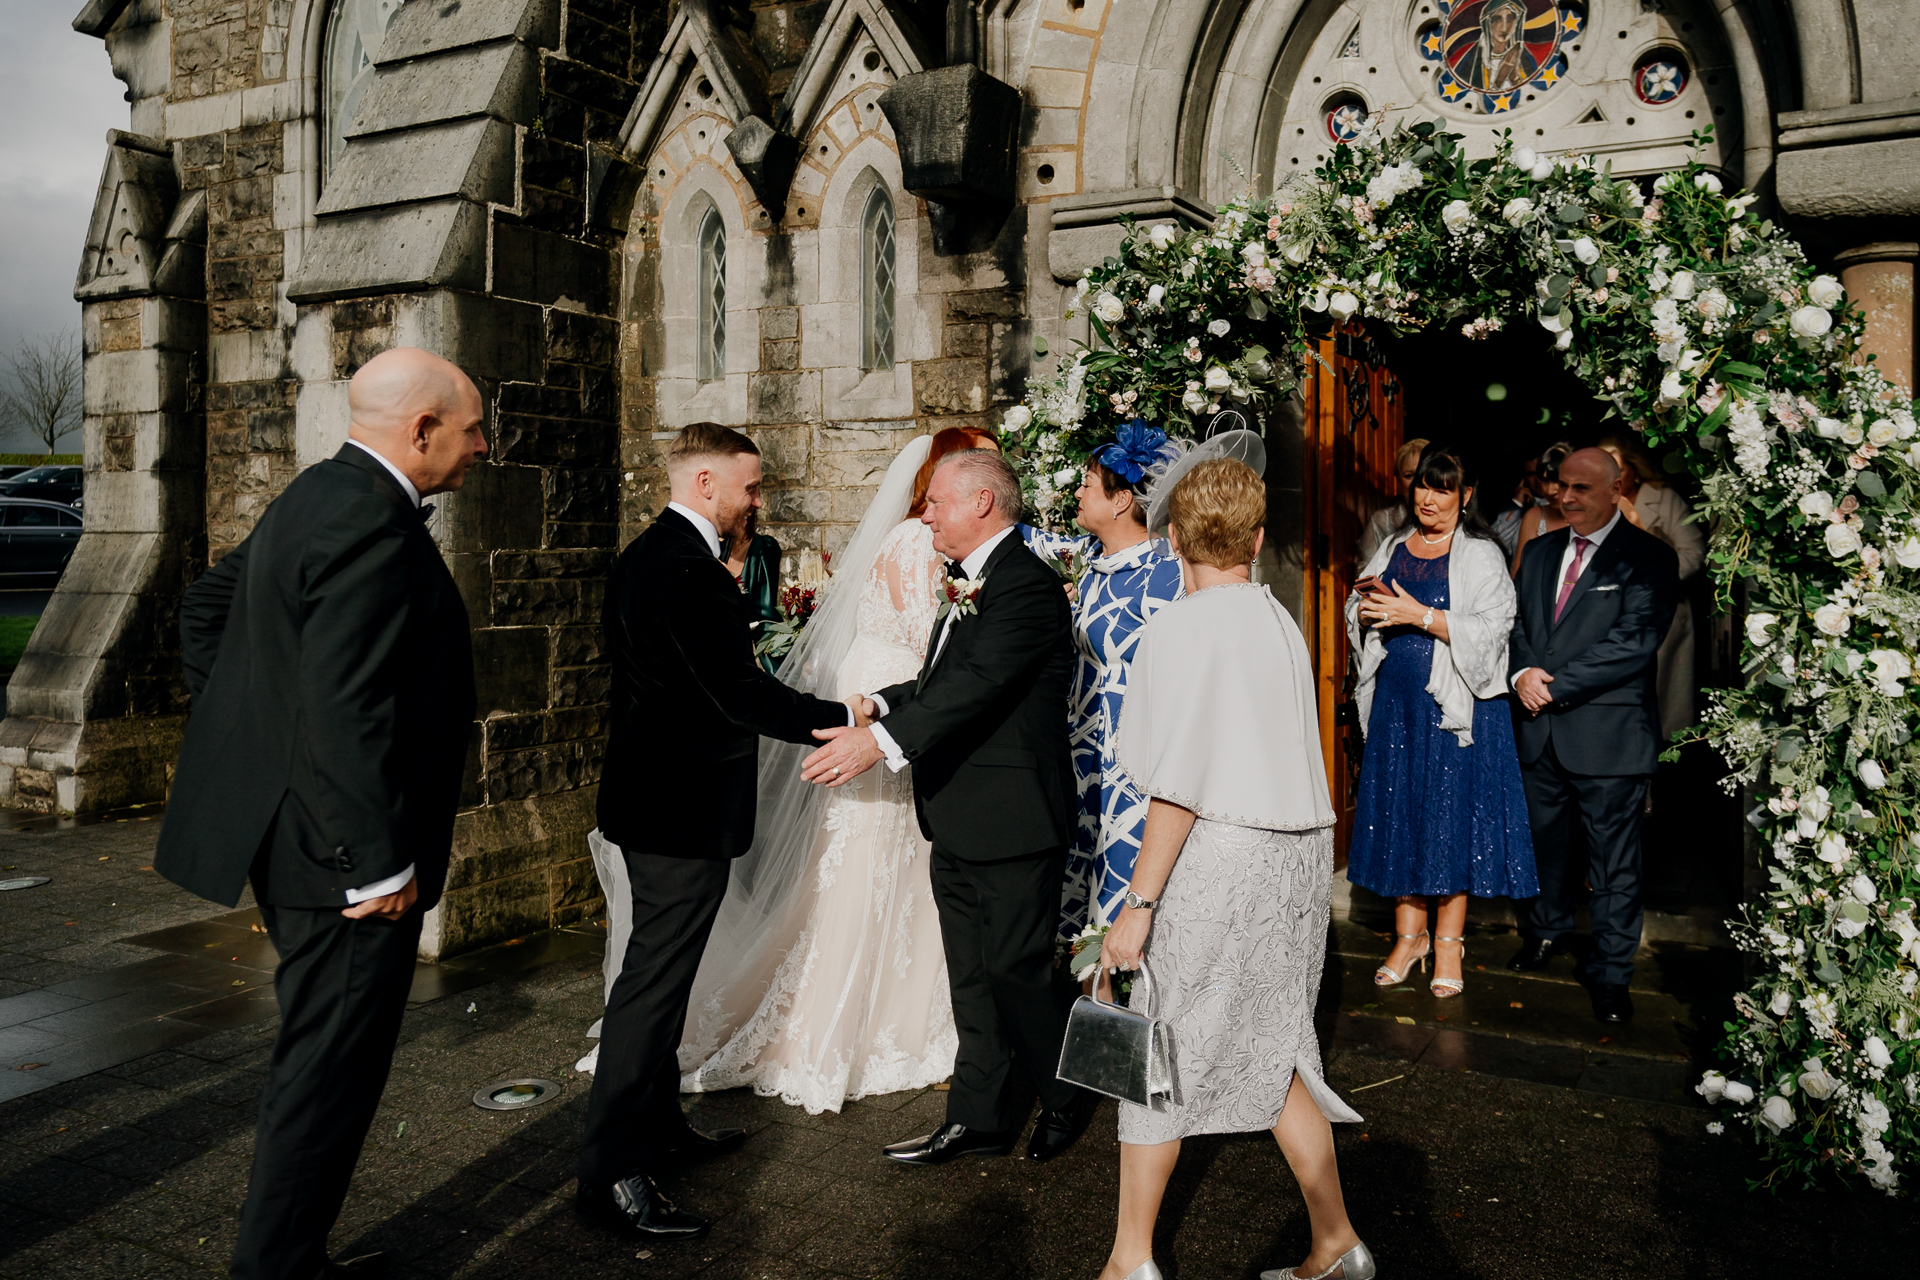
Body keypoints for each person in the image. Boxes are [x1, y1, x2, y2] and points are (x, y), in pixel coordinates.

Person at [153, 347, 487, 1280]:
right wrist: (373, 865)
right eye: (471, 430)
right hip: (345, 866)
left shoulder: (317, 493)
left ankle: (290, 1255)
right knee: (327, 1077)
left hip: (302, 841)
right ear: (421, 430)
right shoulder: (369, 522)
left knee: (324, 1067)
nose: (482, 447)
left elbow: (210, 607)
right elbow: (346, 709)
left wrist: (255, 734)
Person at [578, 422, 864, 1243]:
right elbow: (742, 696)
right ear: (705, 483)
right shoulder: (688, 572)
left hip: (654, 802)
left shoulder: (645, 556)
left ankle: (659, 1126)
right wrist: (848, 714)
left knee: (664, 980)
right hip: (678, 813)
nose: (757, 500)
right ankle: (612, 1171)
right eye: (750, 486)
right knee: (649, 989)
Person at [1095, 456, 1371, 1280]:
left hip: (1222, 850)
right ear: (1256, 538)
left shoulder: (1180, 626)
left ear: (1173, 537)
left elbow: (1177, 783)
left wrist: (1138, 903)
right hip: (1297, 855)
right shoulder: (1276, 616)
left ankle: (1129, 1262)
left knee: (1159, 1044)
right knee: (1275, 1044)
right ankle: (1335, 1242)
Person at [673, 429, 989, 1113]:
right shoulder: (914, 541)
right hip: (892, 693)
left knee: (883, 854)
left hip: (877, 686)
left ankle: (897, 1005)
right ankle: (865, 1020)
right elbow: (922, 634)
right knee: (882, 852)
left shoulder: (900, 535)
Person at [801, 449, 1097, 1166]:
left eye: (937, 502)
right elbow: (942, 679)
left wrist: (878, 744)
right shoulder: (969, 583)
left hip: (1014, 817)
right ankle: (978, 1119)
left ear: (983, 505)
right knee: (971, 975)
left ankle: (1067, 1096)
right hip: (960, 811)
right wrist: (879, 702)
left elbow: (980, 687)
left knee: (1017, 971)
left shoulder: (1024, 587)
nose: (925, 514)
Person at [1345, 445, 1536, 999]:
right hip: (1397, 708)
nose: (1428, 498)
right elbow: (1363, 611)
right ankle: (1410, 938)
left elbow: (1495, 628)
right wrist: (1365, 610)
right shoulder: (1390, 546)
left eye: (1443, 488)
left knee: (1450, 820)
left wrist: (1420, 615)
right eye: (1423, 486)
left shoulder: (1481, 554)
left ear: (1465, 495)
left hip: (1458, 712)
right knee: (1403, 813)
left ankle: (1449, 942)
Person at [1507, 448, 1679, 1025]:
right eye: (1562, 486)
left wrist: (1554, 686)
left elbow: (1634, 642)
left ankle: (1610, 972)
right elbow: (1519, 626)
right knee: (1544, 846)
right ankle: (1547, 932)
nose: (1567, 497)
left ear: (1616, 489)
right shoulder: (1538, 552)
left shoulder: (1649, 558)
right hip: (1539, 729)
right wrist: (1523, 673)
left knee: (1614, 863)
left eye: (1582, 488)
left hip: (1609, 735)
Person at [1020, 417, 1189, 941]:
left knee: (1120, 866)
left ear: (1120, 501)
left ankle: (1122, 992)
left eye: (1088, 485)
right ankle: (1084, 987)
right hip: (1080, 743)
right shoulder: (1091, 558)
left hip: (1132, 752)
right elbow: (1024, 539)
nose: (1076, 491)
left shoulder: (1166, 569)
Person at [1601, 436, 1705, 739]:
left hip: (1663, 615)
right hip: (1610, 616)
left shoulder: (1665, 499)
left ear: (1635, 467)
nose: (1613, 477)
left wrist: (1652, 579)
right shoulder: (1595, 503)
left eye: (1618, 468)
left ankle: (1662, 773)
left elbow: (1694, 556)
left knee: (1662, 708)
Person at [1356, 436, 1430, 569]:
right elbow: (1364, 570)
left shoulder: (1449, 517)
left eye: (1422, 474)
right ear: (1398, 482)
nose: (1416, 482)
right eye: (1409, 475)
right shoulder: (1382, 521)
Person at [724, 519, 785, 673]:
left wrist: (784, 673)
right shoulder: (698, 549)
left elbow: (766, 622)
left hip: (739, 664)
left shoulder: (762, 551)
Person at [1508, 440, 1572, 576]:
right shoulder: (1534, 516)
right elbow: (1519, 575)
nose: (1550, 490)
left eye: (1556, 480)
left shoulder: (1599, 513)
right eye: (1545, 481)